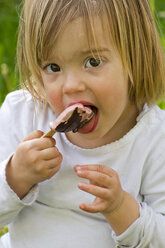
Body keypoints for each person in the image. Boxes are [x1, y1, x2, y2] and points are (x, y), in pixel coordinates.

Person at [0, 0, 165, 247]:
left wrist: (121, 208)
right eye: (53, 67)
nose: (71, 86)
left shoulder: (154, 138)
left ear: (134, 57)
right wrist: (15, 176)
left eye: (93, 62)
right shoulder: (24, 113)